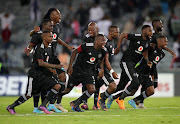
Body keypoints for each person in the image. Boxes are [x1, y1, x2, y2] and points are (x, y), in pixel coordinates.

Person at [28, 8, 75, 113]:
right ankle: (42, 106)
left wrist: (66, 45)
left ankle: (55, 104)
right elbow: (34, 39)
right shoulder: (43, 27)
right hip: (44, 58)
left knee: (62, 77)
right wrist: (30, 50)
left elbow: (56, 38)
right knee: (48, 82)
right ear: (52, 16)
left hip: (53, 56)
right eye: (58, 14)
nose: (60, 16)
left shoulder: (56, 27)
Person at [7, 31, 63, 114]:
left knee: (57, 86)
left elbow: (46, 61)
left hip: (43, 74)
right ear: (44, 38)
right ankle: (11, 106)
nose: (52, 38)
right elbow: (41, 63)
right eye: (50, 36)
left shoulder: (49, 47)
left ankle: (43, 106)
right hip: (34, 74)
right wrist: (55, 66)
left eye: (52, 36)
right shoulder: (40, 48)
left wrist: (50, 69)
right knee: (28, 94)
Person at [107, 25, 153, 110]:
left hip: (132, 64)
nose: (151, 32)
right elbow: (123, 35)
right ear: (144, 32)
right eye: (149, 30)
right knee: (135, 81)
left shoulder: (148, 41)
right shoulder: (136, 37)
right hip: (126, 61)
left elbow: (144, 51)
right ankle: (120, 99)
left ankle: (107, 97)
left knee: (121, 86)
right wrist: (118, 47)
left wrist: (147, 61)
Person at [60, 34, 107, 112]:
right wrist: (70, 66)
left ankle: (75, 103)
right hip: (77, 70)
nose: (104, 42)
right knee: (67, 90)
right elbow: (75, 52)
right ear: (97, 41)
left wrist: (101, 69)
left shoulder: (103, 51)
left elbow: (101, 60)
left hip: (88, 72)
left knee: (92, 90)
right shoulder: (86, 46)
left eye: (104, 40)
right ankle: (52, 97)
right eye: (102, 40)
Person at [136, 19, 176, 108]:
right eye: (160, 24)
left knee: (154, 85)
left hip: (153, 64)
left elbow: (162, 46)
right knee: (142, 85)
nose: (162, 25)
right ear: (155, 25)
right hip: (148, 63)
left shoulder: (159, 36)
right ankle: (138, 102)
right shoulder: (152, 36)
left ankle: (139, 101)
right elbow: (146, 47)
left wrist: (170, 51)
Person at [129, 36, 168, 109]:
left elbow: (154, 64)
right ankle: (114, 97)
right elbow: (144, 51)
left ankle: (136, 101)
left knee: (151, 90)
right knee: (132, 91)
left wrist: (153, 75)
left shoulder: (162, 54)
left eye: (167, 41)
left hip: (147, 73)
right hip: (139, 71)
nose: (166, 43)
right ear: (159, 42)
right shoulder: (151, 48)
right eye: (165, 41)